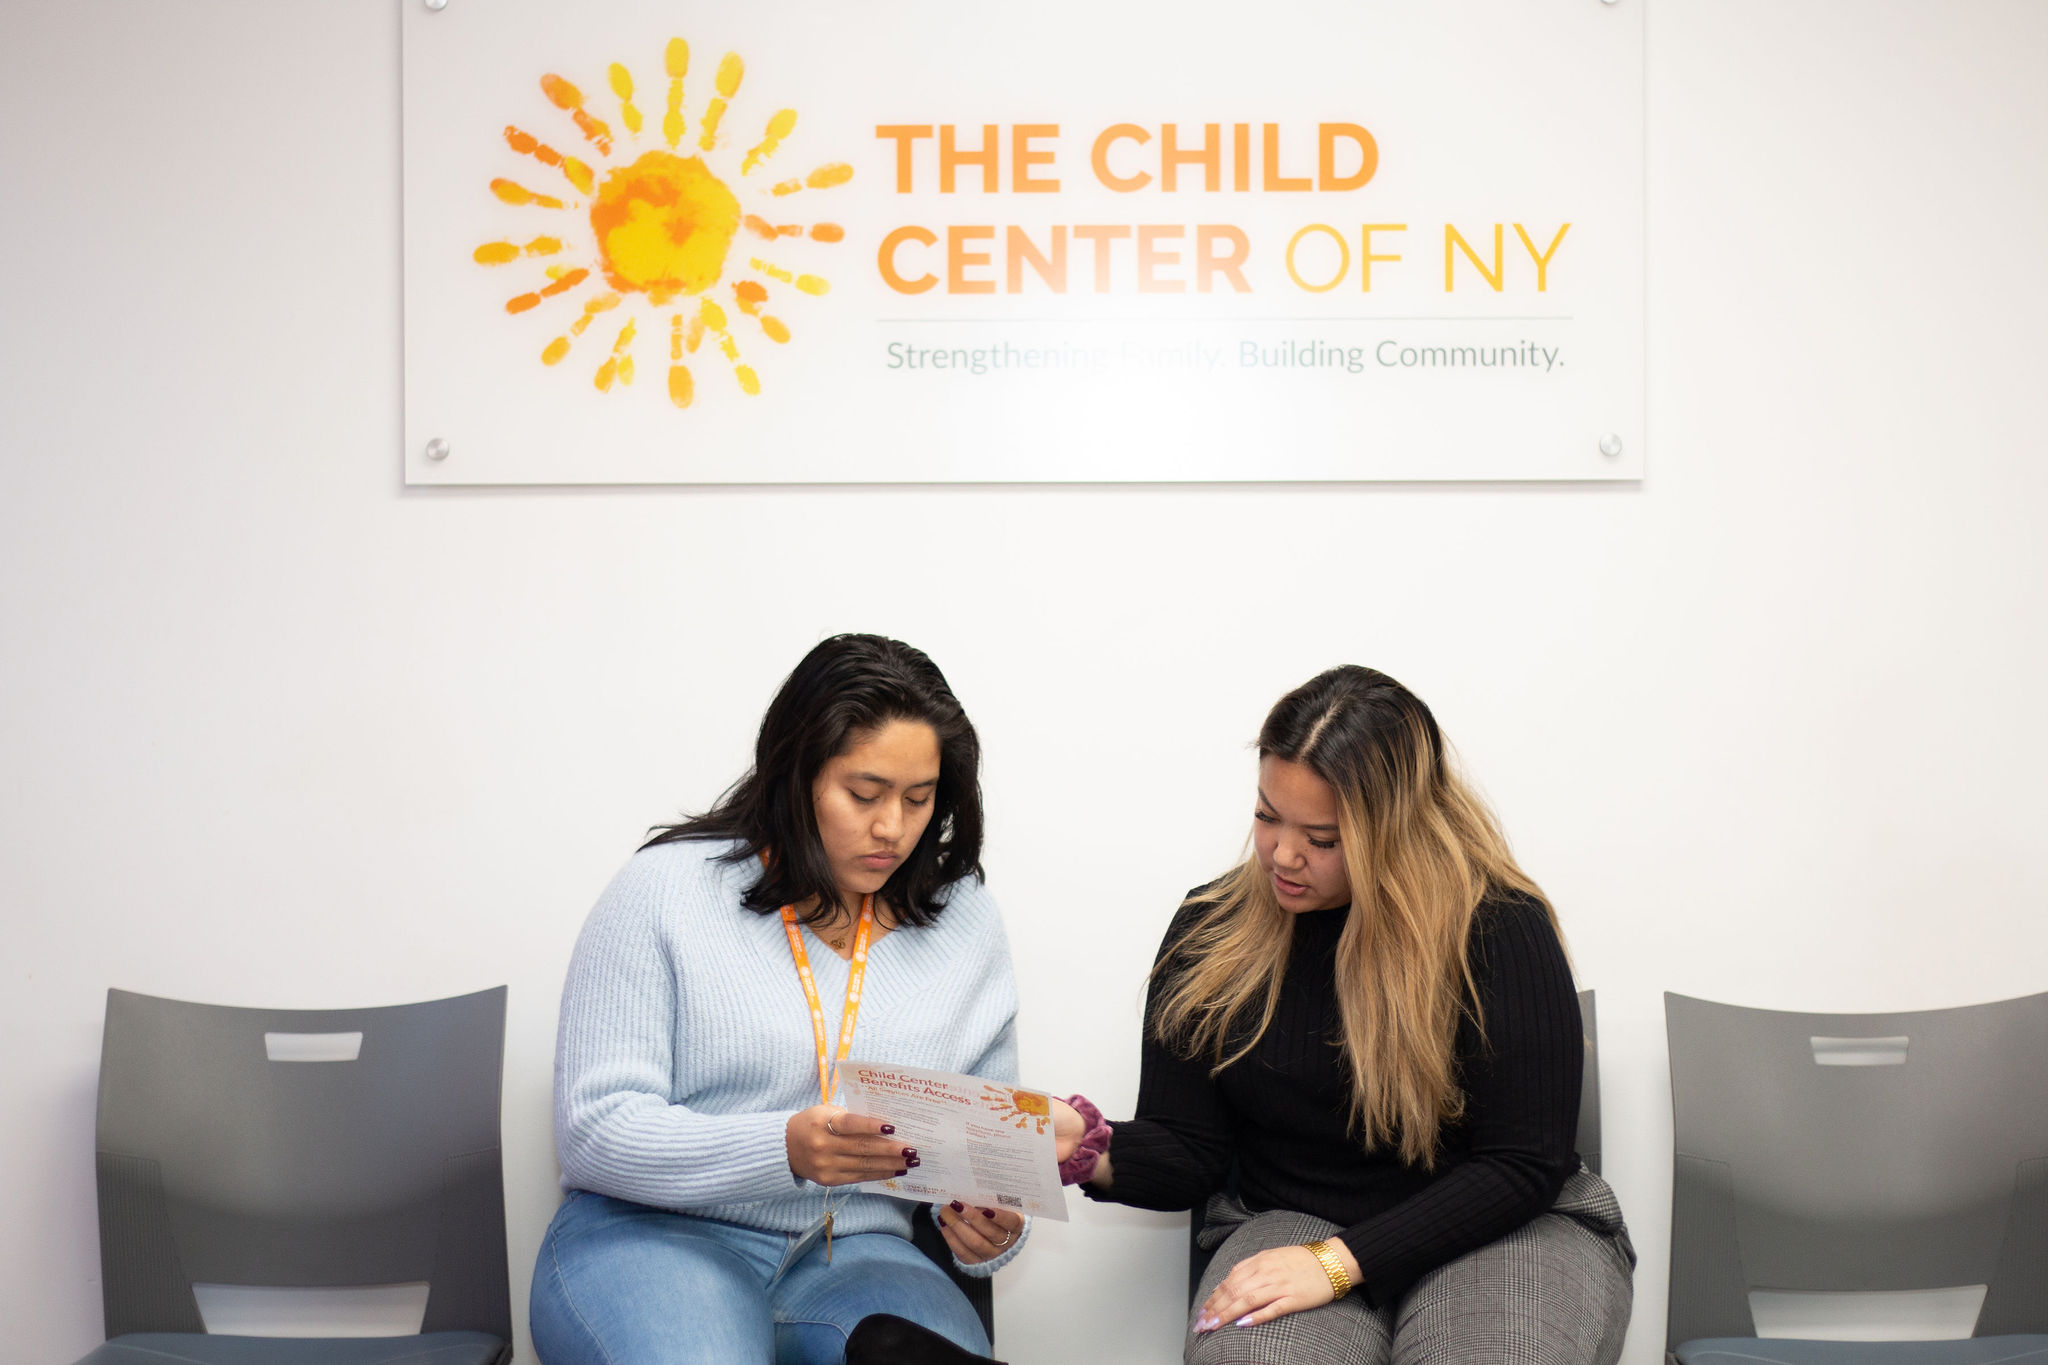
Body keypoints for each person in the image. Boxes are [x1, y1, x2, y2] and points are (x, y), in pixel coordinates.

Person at [1051, 666, 1635, 1365]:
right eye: (1268, 815)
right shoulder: (1212, 929)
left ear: (1397, 829)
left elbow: (1521, 1163)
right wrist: (1091, 1145)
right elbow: (1192, 1151)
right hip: (1290, 1220)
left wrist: (1340, 1261)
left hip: (1507, 1224)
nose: (1282, 855)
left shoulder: (1498, 925)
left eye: (1322, 838)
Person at [530, 635, 1026, 1365]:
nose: (891, 826)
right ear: (796, 776)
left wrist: (993, 1223)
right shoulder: (663, 890)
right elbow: (596, 1129)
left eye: (919, 799)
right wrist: (782, 1148)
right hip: (652, 1235)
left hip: (858, 1250)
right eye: (863, 794)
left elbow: (985, 1145)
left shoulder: (966, 920)